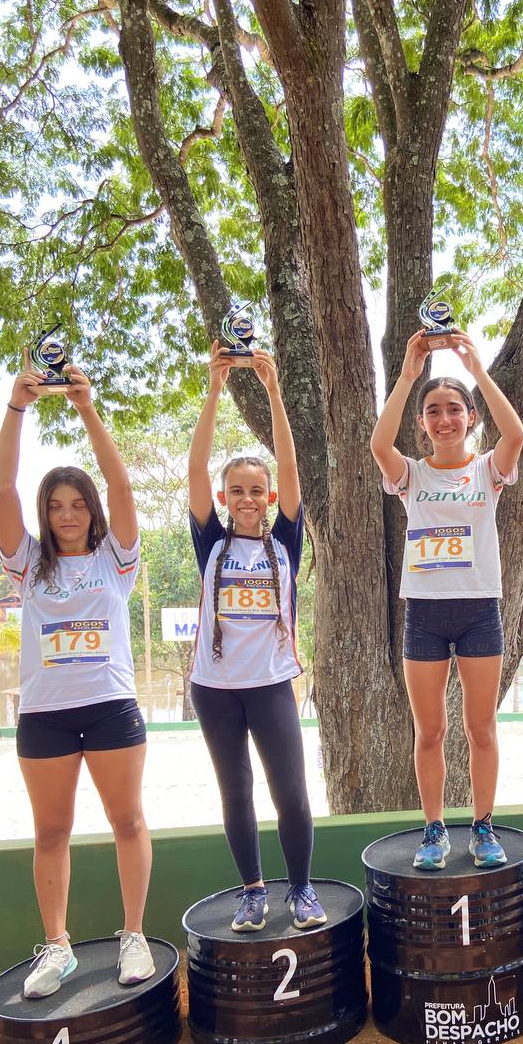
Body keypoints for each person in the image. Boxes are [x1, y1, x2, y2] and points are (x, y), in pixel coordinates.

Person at [0, 357, 155, 999]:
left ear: (92, 510)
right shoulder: (28, 564)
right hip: (45, 717)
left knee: (128, 822)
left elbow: (122, 486)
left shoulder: (117, 559)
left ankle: (133, 936)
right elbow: (2, 491)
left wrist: (86, 407)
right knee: (51, 832)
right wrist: (16, 407)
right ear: (45, 513)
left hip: (111, 707)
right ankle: (56, 946)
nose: (67, 514)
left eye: (78, 504)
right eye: (56, 506)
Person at [370, 330, 523, 869]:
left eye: (455, 409)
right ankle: (434, 830)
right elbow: (379, 446)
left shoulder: (487, 470)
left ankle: (483, 827)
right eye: (433, 411)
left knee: (480, 728)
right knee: (430, 731)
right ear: (421, 422)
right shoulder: (410, 474)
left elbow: (516, 433)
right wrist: (408, 375)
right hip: (425, 614)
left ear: (471, 417)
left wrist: (477, 369)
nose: (444, 419)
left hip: (479, 609)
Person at [188, 340, 324, 933]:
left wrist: (273, 389)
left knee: (290, 793)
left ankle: (301, 889)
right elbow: (196, 468)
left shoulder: (285, 543)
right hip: (214, 689)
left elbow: (291, 469)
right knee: (235, 791)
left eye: (256, 491)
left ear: (269, 498)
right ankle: (252, 891)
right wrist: (214, 388)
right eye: (236, 491)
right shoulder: (210, 543)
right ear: (224, 499)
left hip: (271, 685)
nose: (247, 499)